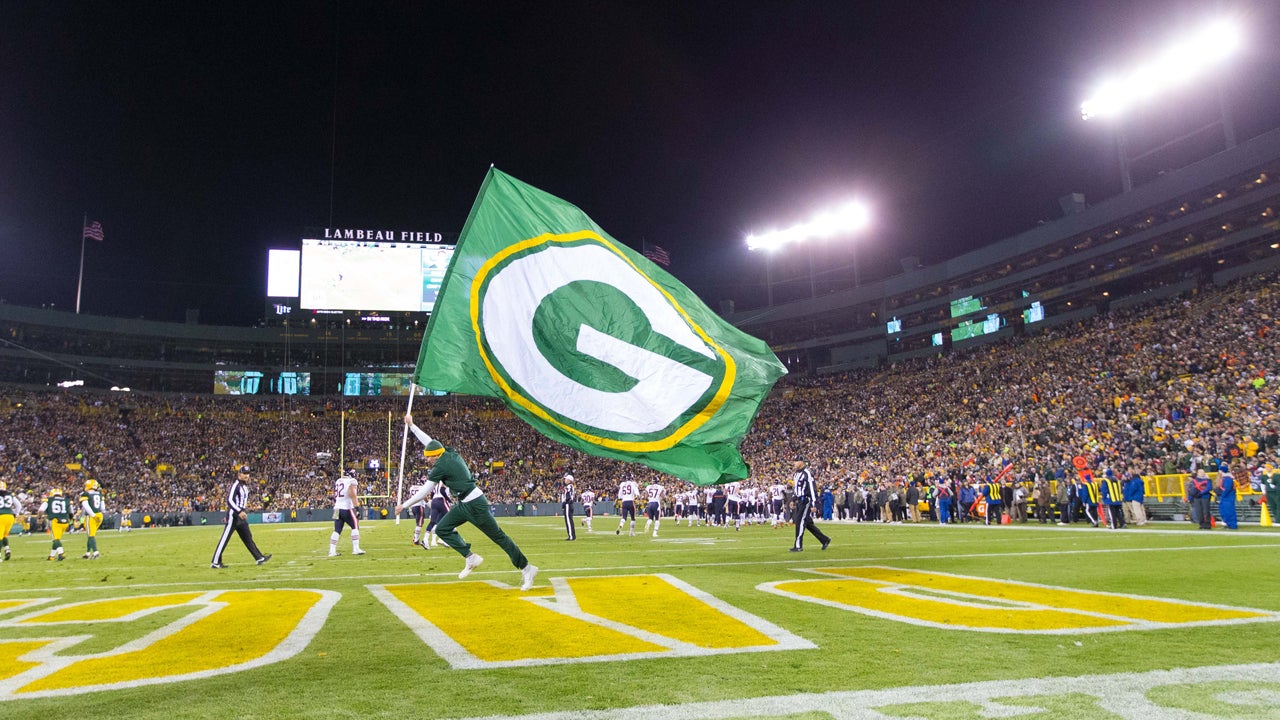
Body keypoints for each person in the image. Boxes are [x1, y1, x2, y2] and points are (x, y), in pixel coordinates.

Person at [399, 414, 538, 591]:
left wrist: (404, 505)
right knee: (441, 528)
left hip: (475, 504)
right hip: (465, 503)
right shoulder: (447, 452)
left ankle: (527, 568)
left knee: (499, 537)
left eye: (428, 457)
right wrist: (412, 426)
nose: (426, 459)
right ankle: (470, 557)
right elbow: (430, 441)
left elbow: (424, 492)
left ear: (435, 456)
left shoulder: (441, 466)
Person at [211, 465, 272, 568]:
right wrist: (239, 511)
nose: (246, 476)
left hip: (241, 514)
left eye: (248, 474)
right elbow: (229, 500)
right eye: (244, 473)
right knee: (225, 539)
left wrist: (243, 511)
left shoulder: (244, 486)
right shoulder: (236, 485)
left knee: (248, 537)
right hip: (234, 515)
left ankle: (259, 557)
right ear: (239, 474)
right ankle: (215, 562)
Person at [789, 456, 831, 552]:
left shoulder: (807, 473)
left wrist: (814, 504)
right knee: (808, 523)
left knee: (800, 522)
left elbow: (812, 489)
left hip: (805, 501)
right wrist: (793, 499)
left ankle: (798, 546)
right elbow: (797, 489)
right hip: (799, 501)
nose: (794, 463)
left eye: (796, 461)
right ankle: (824, 539)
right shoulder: (796, 474)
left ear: (802, 462)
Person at [329, 472, 365, 556]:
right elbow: (352, 494)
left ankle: (332, 551)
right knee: (355, 526)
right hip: (346, 508)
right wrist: (357, 508)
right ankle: (356, 549)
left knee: (337, 530)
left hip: (336, 508)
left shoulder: (338, 481)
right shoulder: (351, 481)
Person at [39, 487, 72, 561]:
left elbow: (41, 510)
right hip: (65, 522)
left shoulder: (48, 500)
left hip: (55, 521)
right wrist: (70, 521)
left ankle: (61, 553)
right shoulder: (66, 500)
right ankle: (51, 556)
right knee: (56, 540)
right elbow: (71, 512)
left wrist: (39, 518)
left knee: (55, 539)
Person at [79, 478, 106, 558]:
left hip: (91, 516)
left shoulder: (85, 494)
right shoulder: (99, 494)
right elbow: (103, 508)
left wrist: (92, 515)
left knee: (91, 535)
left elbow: (86, 507)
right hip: (99, 515)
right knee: (91, 535)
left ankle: (95, 552)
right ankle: (87, 553)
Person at [0, 481, 23, 561]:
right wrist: (16, 514)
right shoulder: (10, 495)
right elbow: (19, 505)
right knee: (3, 535)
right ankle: (7, 550)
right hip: (10, 516)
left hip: (1, 516)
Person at [1217, 462, 1238, 530]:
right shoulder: (1225, 478)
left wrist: (1222, 496)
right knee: (1225, 511)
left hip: (1228, 497)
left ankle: (1232, 525)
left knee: (1229, 511)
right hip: (1226, 497)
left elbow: (1227, 489)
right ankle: (1227, 523)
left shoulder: (1227, 479)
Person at [560, 474, 577, 541]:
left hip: (568, 504)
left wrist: (564, 503)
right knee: (569, 520)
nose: (565, 480)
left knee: (568, 521)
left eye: (566, 479)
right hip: (569, 504)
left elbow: (567, 495)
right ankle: (571, 535)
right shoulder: (570, 486)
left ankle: (571, 536)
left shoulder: (569, 486)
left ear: (569, 480)